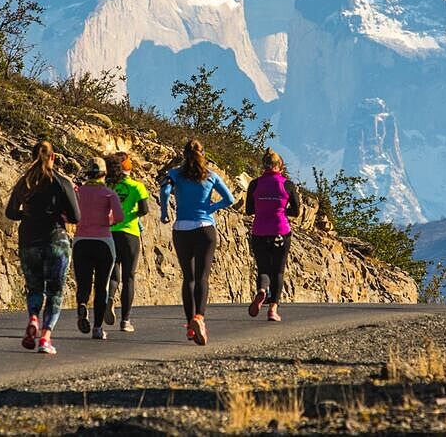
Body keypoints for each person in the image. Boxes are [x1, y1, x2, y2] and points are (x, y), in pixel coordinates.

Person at [4, 140, 80, 355]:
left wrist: (28, 214)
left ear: (33, 156)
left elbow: (10, 213)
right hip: (56, 240)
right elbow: (76, 216)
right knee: (55, 291)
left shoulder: (24, 182)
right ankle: (45, 338)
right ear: (53, 157)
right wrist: (58, 214)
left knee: (34, 288)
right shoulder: (62, 182)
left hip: (29, 241)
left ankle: (33, 318)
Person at [159, 140, 235, 345]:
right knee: (202, 277)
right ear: (203, 153)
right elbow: (230, 199)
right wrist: (211, 208)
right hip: (205, 228)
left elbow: (164, 191)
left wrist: (165, 212)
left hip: (182, 228)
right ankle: (199, 318)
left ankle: (189, 327)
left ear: (184, 154)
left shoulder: (175, 174)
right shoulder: (211, 175)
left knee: (189, 278)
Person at [244, 148, 300, 322]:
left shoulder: (254, 184)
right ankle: (273, 310)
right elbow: (296, 211)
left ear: (264, 165)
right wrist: (282, 210)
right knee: (278, 272)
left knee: (263, 268)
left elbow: (249, 210)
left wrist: (263, 208)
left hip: (259, 231)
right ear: (280, 166)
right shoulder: (287, 184)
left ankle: (262, 290)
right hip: (280, 231)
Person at [73, 157, 125, 340]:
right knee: (102, 285)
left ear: (87, 173)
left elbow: (68, 215)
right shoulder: (109, 194)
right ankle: (97, 328)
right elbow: (119, 217)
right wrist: (106, 221)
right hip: (104, 241)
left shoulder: (78, 192)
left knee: (83, 282)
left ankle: (82, 304)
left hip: (81, 241)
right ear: (104, 173)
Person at [105, 152, 150, 332]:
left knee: (113, 272)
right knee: (129, 277)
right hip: (130, 233)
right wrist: (131, 215)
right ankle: (125, 321)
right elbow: (144, 209)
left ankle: (110, 297)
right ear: (128, 166)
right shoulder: (137, 186)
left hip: (110, 232)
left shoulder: (109, 185)